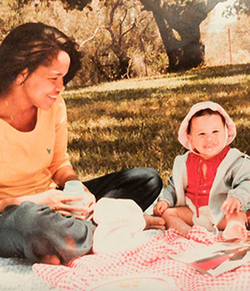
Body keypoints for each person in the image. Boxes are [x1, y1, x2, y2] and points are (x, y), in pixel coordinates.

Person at [0, 22, 164, 265]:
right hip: (13, 214)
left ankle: (70, 234)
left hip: (53, 205)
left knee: (147, 179)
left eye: (63, 78)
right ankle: (110, 228)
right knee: (35, 223)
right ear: (22, 72)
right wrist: (41, 201)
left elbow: (58, 165)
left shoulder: (53, 106)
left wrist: (77, 188)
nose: (60, 88)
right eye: (54, 78)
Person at [154, 101, 250, 241]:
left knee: (238, 215)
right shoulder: (185, 162)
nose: (209, 138)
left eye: (215, 132)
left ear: (226, 132)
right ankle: (189, 234)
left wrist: (236, 197)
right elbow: (174, 186)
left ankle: (234, 230)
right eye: (201, 134)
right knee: (168, 214)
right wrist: (166, 200)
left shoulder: (234, 161)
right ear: (190, 138)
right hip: (194, 212)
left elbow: (247, 181)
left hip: (223, 212)